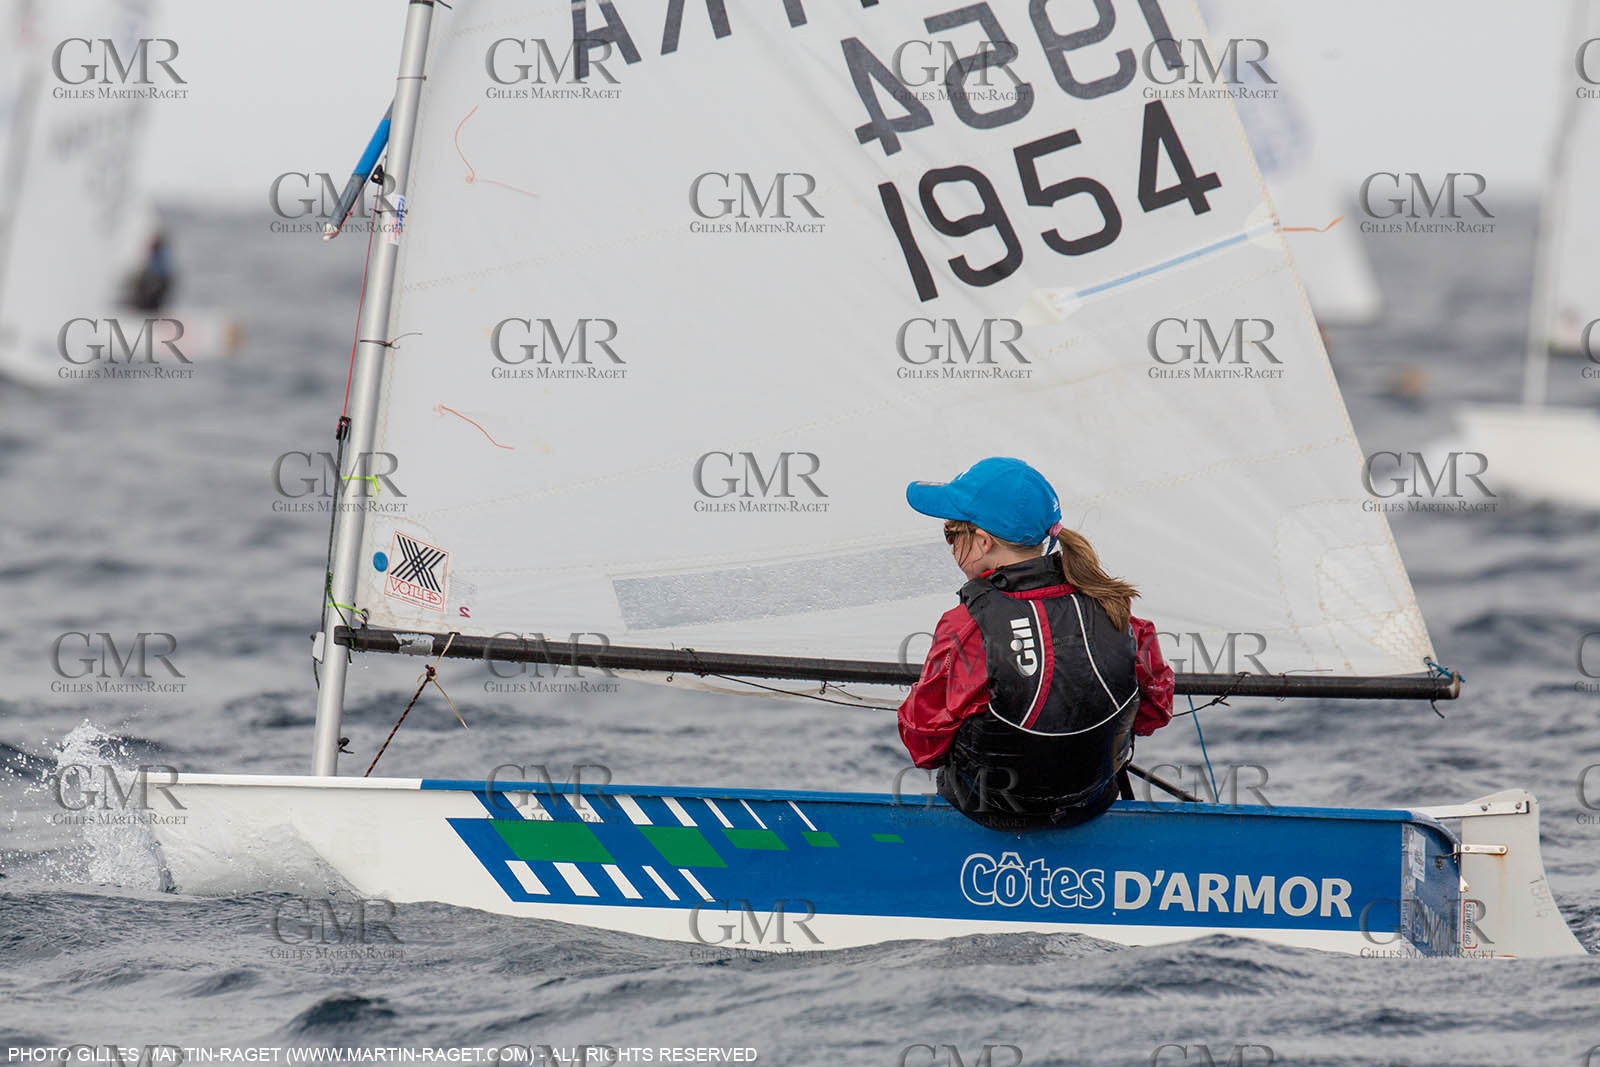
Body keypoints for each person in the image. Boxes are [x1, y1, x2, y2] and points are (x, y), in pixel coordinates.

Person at [898, 457, 1174, 830]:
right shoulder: (1117, 609)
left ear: (982, 542)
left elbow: (923, 743)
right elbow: (1155, 710)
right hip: (1091, 801)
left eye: (951, 534)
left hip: (992, 810)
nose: (950, 546)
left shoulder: (965, 627)